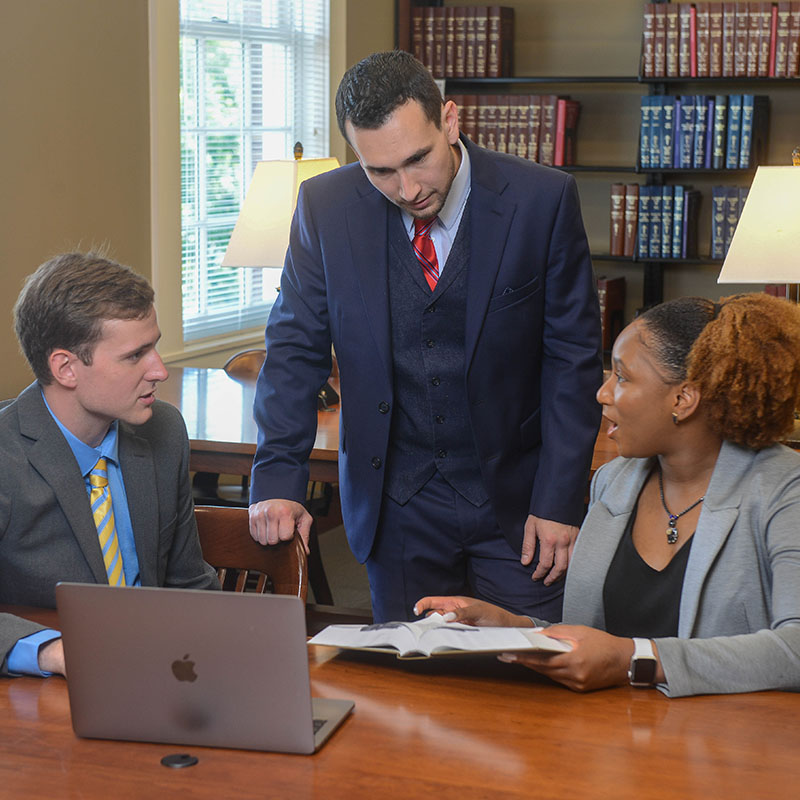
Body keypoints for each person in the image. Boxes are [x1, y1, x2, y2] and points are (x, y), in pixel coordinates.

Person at [248, 50, 602, 623]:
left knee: (530, 687)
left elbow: (573, 359)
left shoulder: (542, 200)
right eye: (380, 171)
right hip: (397, 505)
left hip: (519, 504)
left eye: (418, 159)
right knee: (411, 695)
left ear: (451, 121)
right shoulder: (325, 207)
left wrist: (560, 500)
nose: (408, 188)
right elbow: (294, 350)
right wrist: (277, 480)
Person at [416, 294, 800, 697]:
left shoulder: (783, 490)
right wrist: (512, 628)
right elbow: (601, 647)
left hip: (726, 748)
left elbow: (794, 648)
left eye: (622, 377)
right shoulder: (613, 482)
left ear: (683, 399)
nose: (602, 393)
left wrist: (635, 660)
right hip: (607, 739)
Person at [0, 252, 218, 678]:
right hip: (43, 702)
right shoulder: (5, 455)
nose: (160, 370)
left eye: (154, 346)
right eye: (135, 356)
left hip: (162, 674)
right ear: (65, 367)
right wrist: (54, 653)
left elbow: (189, 582)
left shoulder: (164, 430)